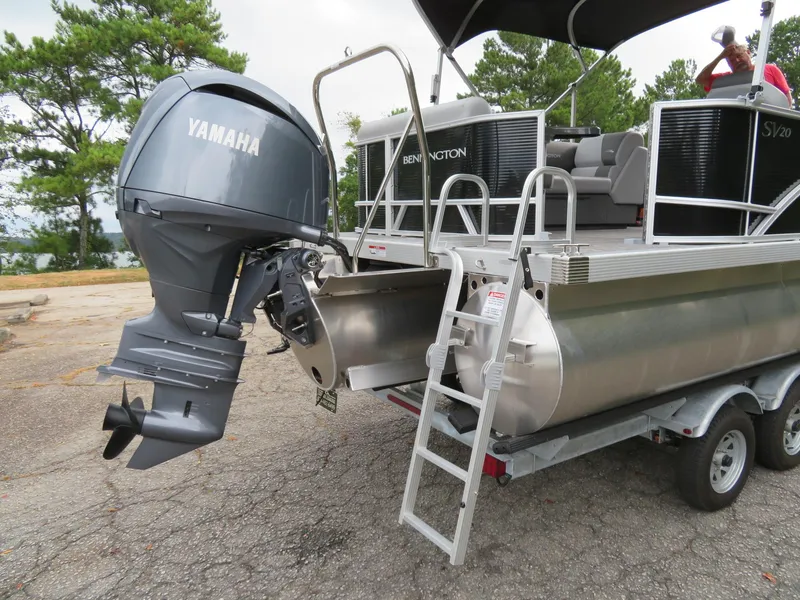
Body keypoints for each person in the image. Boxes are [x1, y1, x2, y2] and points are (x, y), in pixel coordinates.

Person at [695, 43, 793, 108]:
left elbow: (786, 96)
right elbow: (700, 80)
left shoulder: (770, 69)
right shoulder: (726, 80)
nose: (737, 61)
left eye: (739, 56)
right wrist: (720, 57)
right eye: (732, 60)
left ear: (748, 53)